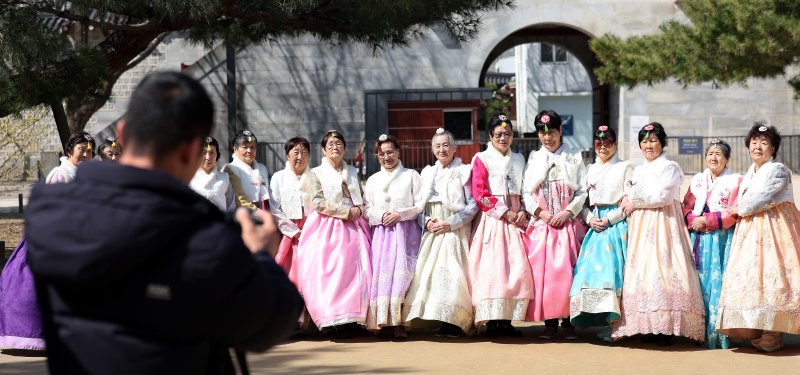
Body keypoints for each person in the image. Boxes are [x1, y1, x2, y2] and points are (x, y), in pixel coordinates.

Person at [25, 71, 303, 374]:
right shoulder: (203, 241)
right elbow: (271, 321)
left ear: (122, 133)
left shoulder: (49, 216)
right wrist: (259, 254)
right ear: (192, 151)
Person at [0, 132, 95, 353]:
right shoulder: (60, 174)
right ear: (70, 151)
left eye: (89, 151)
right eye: (82, 149)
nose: (86, 154)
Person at [614, 122, 705, 346]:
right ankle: (648, 323)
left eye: (653, 140)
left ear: (662, 143)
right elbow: (629, 193)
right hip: (641, 226)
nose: (649, 145)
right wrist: (627, 200)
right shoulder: (639, 169)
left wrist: (633, 201)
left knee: (664, 269)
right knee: (643, 269)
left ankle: (667, 326)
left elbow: (663, 197)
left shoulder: (670, 167)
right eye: (644, 141)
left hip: (664, 225)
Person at [716, 123, 800, 352]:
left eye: (764, 143)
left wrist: (734, 209)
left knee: (774, 276)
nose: (758, 147)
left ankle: (774, 333)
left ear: (773, 149)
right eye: (754, 143)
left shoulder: (778, 170)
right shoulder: (748, 175)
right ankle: (758, 328)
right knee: (753, 278)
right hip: (750, 232)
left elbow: (761, 199)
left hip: (774, 230)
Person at [403, 128, 479, 338]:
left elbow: (473, 204)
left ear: (454, 148)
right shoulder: (427, 173)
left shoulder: (465, 171)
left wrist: (451, 223)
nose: (442, 149)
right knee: (430, 274)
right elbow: (417, 206)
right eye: (437, 146)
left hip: (455, 228)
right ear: (432, 149)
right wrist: (426, 222)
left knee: (453, 273)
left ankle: (455, 321)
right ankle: (435, 318)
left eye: (446, 145)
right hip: (433, 229)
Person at [296, 130, 372, 339]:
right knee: (332, 272)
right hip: (328, 225)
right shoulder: (316, 173)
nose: (335, 147)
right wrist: (346, 213)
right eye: (330, 144)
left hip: (355, 225)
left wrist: (358, 210)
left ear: (345, 148)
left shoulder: (353, 172)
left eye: (338, 144)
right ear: (323, 150)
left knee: (358, 272)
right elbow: (318, 202)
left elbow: (360, 197)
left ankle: (353, 319)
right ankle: (333, 319)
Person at [522, 110, 587, 340]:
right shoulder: (534, 158)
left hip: (567, 223)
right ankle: (549, 322)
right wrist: (541, 212)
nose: (547, 137)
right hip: (543, 224)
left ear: (560, 131)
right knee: (544, 273)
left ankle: (568, 321)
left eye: (551, 132)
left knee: (567, 272)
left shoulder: (574, 156)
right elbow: (526, 193)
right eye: (542, 132)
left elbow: (582, 191)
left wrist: (569, 211)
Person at [468, 113, 534, 338]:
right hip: (494, 219)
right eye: (498, 134)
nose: (503, 138)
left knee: (515, 269)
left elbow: (525, 189)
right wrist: (505, 213)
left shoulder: (518, 159)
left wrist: (523, 210)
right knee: (493, 269)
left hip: (516, 218)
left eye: (507, 134)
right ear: (490, 136)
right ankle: (492, 319)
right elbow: (480, 193)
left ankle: (506, 320)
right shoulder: (482, 158)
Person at [569, 125, 631, 340]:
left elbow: (628, 202)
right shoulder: (590, 169)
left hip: (615, 227)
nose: (603, 146)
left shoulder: (625, 167)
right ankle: (594, 321)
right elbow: (582, 202)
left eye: (608, 142)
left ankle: (616, 326)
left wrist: (609, 219)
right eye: (599, 143)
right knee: (588, 274)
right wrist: (589, 219)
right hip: (595, 226)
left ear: (615, 143)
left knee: (613, 274)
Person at [681, 139, 742, 349]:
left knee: (720, 282)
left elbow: (735, 209)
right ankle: (698, 331)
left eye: (718, 154)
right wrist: (693, 221)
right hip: (699, 238)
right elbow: (686, 207)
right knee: (699, 282)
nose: (713, 158)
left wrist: (707, 220)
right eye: (710, 154)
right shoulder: (698, 180)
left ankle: (718, 332)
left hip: (721, 238)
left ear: (727, 159)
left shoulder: (735, 180)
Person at [363, 134, 422, 339]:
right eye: (381, 154)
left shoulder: (411, 175)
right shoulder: (372, 180)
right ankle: (383, 322)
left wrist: (400, 214)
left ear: (398, 152)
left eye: (390, 152)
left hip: (405, 232)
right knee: (383, 275)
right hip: (381, 233)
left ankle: (400, 324)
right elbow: (367, 208)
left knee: (404, 275)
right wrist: (380, 216)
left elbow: (420, 204)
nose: (386, 157)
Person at [269, 137, 313, 291]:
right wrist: (294, 232)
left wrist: (310, 230)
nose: (300, 156)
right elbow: (274, 208)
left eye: (304, 152)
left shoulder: (314, 177)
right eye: (296, 152)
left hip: (312, 231)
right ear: (288, 155)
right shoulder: (278, 177)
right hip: (288, 231)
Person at [223, 129, 270, 210]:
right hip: (242, 216)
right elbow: (240, 201)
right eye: (245, 147)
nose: (249, 151)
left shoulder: (262, 168)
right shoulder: (231, 169)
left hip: (264, 215)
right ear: (235, 149)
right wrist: (261, 214)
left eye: (253, 147)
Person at [190, 136, 235, 212]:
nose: (208, 157)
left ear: (217, 155)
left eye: (212, 153)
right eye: (204, 152)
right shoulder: (190, 179)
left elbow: (231, 206)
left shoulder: (224, 178)